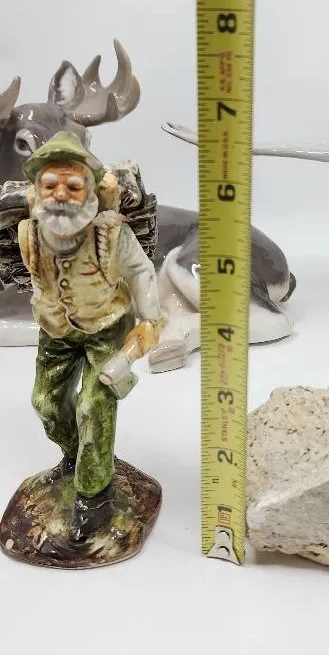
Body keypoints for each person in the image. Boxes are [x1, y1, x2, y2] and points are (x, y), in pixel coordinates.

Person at [18, 131, 164, 543]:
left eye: (73, 185)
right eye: (50, 185)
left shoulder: (111, 235)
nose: (60, 195)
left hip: (106, 329)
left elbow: (140, 271)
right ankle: (77, 455)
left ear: (91, 190)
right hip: (56, 333)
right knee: (46, 404)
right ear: (37, 190)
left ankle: (93, 496)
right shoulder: (30, 234)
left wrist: (148, 320)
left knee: (92, 405)